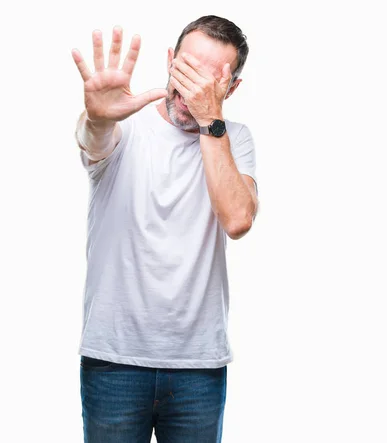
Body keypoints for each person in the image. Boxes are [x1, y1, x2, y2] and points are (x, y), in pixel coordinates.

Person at [71, 15, 258, 443]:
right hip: (113, 361)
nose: (190, 88)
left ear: (231, 90)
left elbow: (237, 219)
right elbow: (94, 139)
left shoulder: (235, 139)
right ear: (170, 60)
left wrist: (212, 120)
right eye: (185, 69)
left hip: (198, 367)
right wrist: (97, 118)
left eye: (207, 81)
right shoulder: (127, 126)